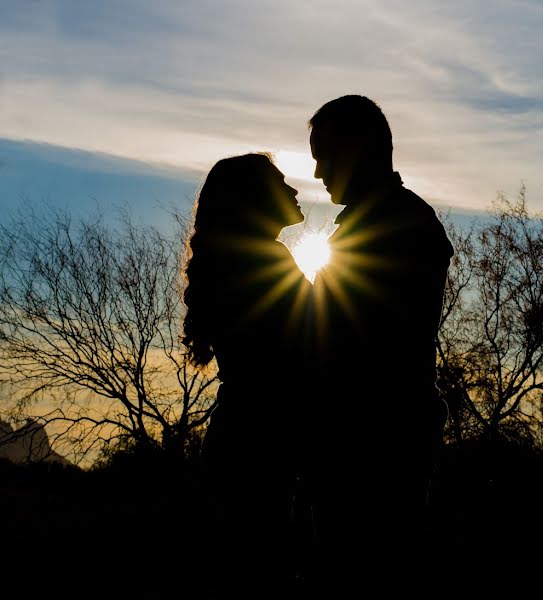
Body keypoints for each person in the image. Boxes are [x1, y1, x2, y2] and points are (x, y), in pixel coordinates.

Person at [307, 95, 453, 591]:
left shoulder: (400, 226)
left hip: (375, 445)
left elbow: (359, 342)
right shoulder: (378, 223)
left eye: (324, 153)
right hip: (369, 439)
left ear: (359, 149)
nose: (317, 169)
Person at [182, 153, 311, 598]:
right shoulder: (263, 262)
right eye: (280, 183)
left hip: (242, 436)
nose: (294, 189)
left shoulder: (237, 260)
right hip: (260, 443)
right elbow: (310, 343)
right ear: (254, 200)